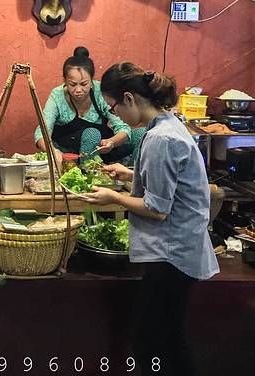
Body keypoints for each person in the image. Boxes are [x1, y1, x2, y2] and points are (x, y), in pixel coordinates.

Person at [84, 62, 219, 376]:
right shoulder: (166, 125)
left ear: (129, 98)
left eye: (114, 108)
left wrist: (114, 197)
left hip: (173, 254)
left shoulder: (161, 139)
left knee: (149, 340)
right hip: (177, 250)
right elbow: (168, 182)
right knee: (168, 338)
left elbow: (158, 209)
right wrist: (129, 173)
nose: (116, 115)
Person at [34, 46, 134, 163]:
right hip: (68, 154)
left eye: (84, 84)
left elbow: (123, 128)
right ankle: (85, 171)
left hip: (100, 149)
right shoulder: (57, 96)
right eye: (72, 84)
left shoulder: (100, 92)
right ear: (65, 81)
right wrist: (53, 152)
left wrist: (111, 142)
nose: (78, 90)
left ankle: (131, 172)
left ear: (91, 81)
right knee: (92, 134)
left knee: (141, 134)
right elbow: (41, 133)